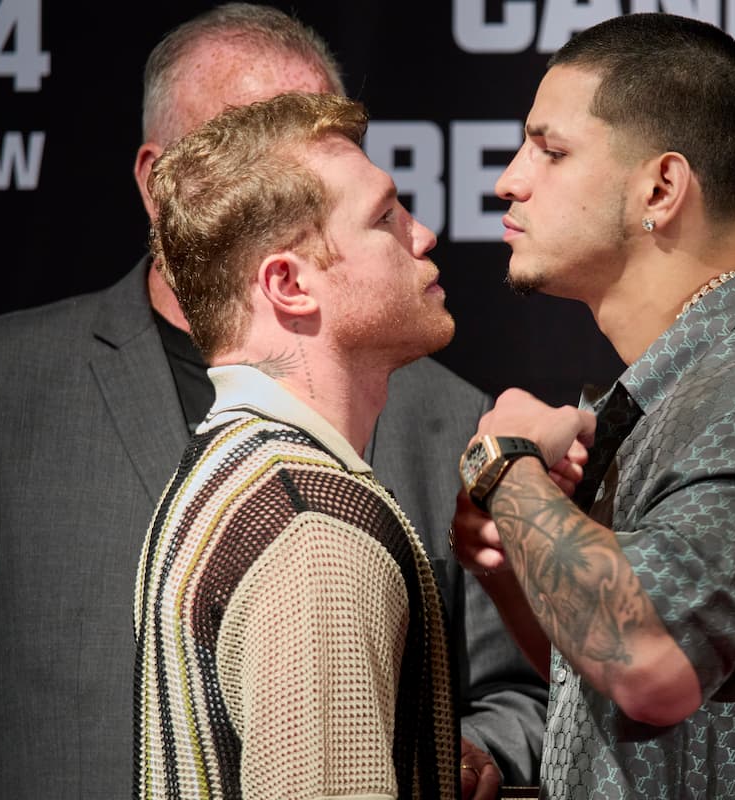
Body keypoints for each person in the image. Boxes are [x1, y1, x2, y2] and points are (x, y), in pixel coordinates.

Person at [0, 5, 542, 798]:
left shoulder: (450, 417)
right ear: (160, 184)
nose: (281, 162)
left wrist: (441, 748)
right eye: (245, 139)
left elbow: (523, 693)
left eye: (316, 133)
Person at [450, 12, 735, 798]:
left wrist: (505, 467)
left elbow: (651, 665)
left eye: (551, 150)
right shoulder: (694, 392)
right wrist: (506, 555)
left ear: (661, 188)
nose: (510, 180)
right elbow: (602, 677)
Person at [135, 91, 458, 799]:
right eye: (385, 217)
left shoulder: (226, 471)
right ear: (288, 283)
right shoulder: (310, 527)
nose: (424, 234)